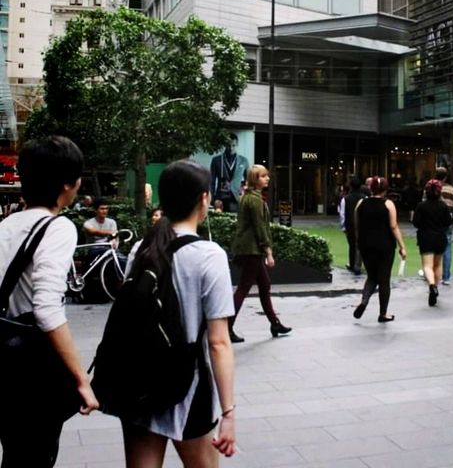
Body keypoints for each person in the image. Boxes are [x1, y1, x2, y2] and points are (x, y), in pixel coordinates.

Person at [121, 160, 236, 465]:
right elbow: (218, 342)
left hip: (139, 379)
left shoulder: (141, 249)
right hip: (187, 382)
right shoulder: (209, 255)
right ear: (204, 199)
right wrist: (228, 413)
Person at [0, 136, 99, 467]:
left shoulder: (6, 226)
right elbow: (46, 309)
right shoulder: (58, 228)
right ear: (69, 185)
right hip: (30, 371)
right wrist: (81, 379)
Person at [228, 165, 291, 343]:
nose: (267, 179)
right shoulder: (254, 200)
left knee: (264, 285)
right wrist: (268, 252)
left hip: (248, 248)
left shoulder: (247, 197)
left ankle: (274, 323)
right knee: (243, 288)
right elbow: (260, 228)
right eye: (264, 176)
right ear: (256, 179)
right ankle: (227, 326)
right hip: (252, 249)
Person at [353, 176, 407, 322]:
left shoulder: (361, 203)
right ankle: (383, 313)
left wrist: (359, 241)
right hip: (385, 246)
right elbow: (393, 226)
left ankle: (364, 300)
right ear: (385, 189)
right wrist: (402, 246)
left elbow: (356, 225)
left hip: (366, 245)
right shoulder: (388, 204)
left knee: (372, 276)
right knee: (384, 280)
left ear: (370, 188)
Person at [412, 179, 452, 307]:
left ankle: (432, 286)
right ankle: (436, 287)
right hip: (440, 237)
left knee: (427, 265)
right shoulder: (443, 206)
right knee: (438, 264)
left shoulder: (421, 206)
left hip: (425, 237)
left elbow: (416, 223)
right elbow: (448, 222)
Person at [210, 134, 250, 213]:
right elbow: (212, 182)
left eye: (233, 145)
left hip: (237, 198)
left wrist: (245, 196)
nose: (231, 148)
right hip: (221, 199)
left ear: (237, 145)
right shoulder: (216, 160)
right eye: (228, 145)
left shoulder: (244, 161)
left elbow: (248, 181)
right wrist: (213, 199)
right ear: (225, 145)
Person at [338, 176, 366, 275]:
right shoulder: (365, 198)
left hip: (350, 225)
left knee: (352, 245)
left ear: (350, 186)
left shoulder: (345, 199)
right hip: (362, 226)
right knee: (361, 245)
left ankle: (352, 264)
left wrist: (343, 227)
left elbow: (342, 214)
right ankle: (358, 265)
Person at [434, 166, 453, 285]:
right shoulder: (451, 189)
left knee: (432, 247)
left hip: (433, 221)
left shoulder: (431, 187)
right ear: (446, 177)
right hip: (447, 220)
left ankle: (431, 272)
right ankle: (446, 276)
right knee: (447, 247)